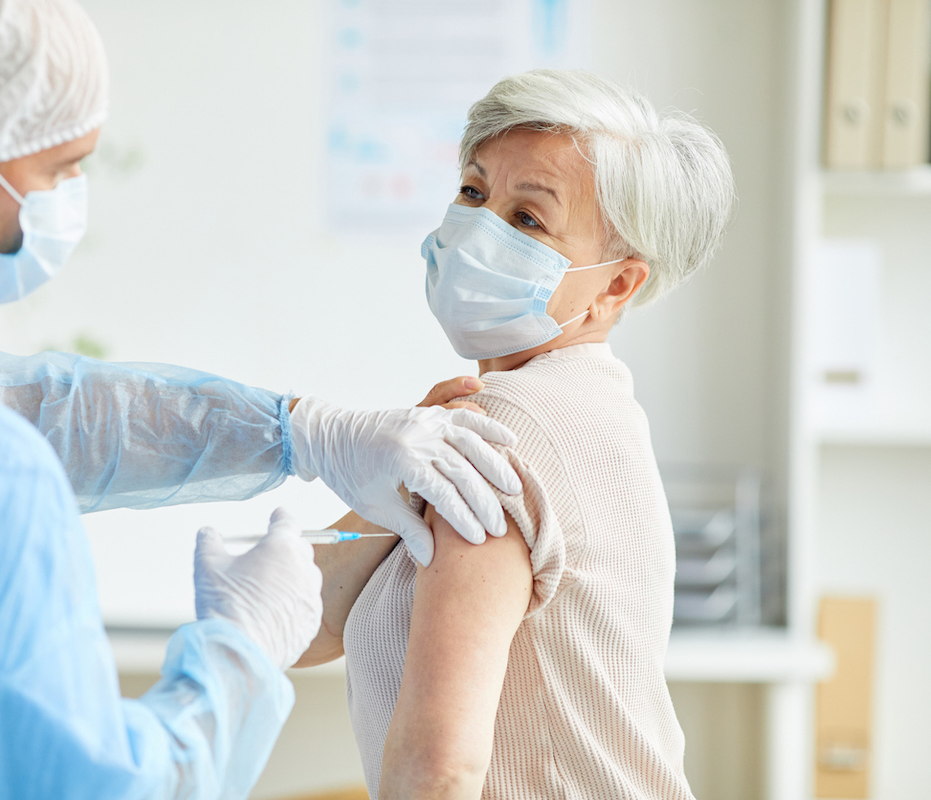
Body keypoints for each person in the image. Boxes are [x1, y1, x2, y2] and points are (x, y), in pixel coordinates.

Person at [0, 1, 524, 798]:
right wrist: (238, 650)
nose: (68, 198)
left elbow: (38, 410)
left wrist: (300, 433)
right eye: (58, 170)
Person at [297, 69, 735, 799]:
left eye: (528, 219)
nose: (477, 230)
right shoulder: (565, 406)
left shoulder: (511, 422)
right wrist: (386, 485)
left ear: (618, 286)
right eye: (474, 193)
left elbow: (437, 771)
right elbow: (297, 627)